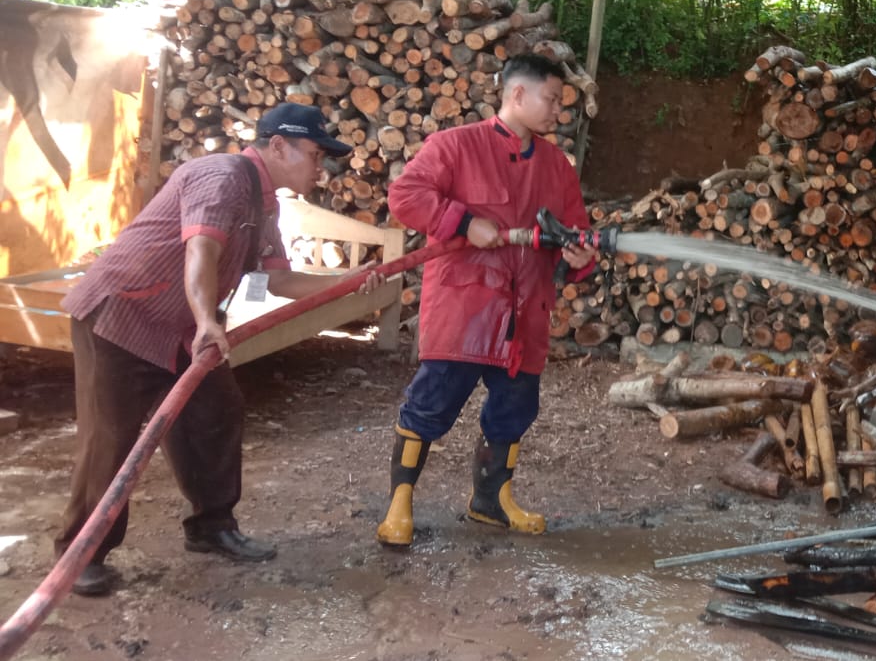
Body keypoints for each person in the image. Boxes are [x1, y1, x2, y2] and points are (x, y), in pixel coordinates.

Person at [57, 103, 382, 596]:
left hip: (182, 328)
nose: (322, 168)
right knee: (111, 440)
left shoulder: (264, 203)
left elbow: (275, 277)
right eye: (316, 154)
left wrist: (346, 280)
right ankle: (80, 554)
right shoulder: (223, 176)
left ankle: (212, 527)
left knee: (216, 411)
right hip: (121, 318)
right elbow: (200, 249)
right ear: (278, 146)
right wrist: (209, 320)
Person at [376, 53, 596, 548]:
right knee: (429, 407)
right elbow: (405, 196)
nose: (558, 111)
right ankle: (399, 506)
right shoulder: (454, 147)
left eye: (560, 102)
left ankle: (492, 502)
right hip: (464, 310)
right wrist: (461, 221)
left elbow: (574, 228)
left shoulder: (557, 167)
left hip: (526, 314)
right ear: (517, 94)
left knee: (514, 411)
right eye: (552, 99)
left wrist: (580, 253)